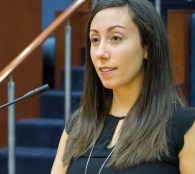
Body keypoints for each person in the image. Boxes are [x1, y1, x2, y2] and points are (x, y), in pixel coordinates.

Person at [51, 0, 195, 173]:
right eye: (95, 40)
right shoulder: (77, 126)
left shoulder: (184, 126)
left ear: (147, 46)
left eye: (116, 38)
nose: (100, 53)